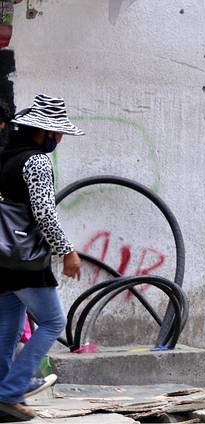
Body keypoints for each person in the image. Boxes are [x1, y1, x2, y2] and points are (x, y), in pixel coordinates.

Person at [0, 94, 84, 421]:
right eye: (58, 133)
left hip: (2, 257)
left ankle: (5, 397)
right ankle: (11, 390)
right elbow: (44, 213)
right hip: (25, 259)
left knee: (7, 330)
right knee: (52, 322)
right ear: (45, 132)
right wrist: (68, 251)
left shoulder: (6, 156)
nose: (59, 139)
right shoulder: (36, 162)